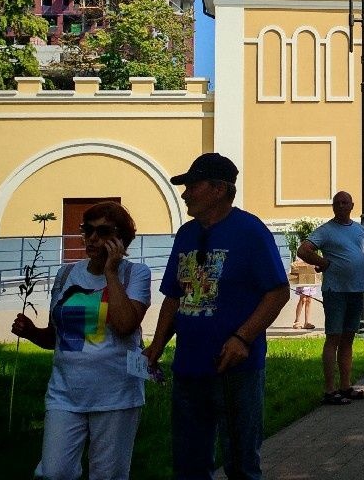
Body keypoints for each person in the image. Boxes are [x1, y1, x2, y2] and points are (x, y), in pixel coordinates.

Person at [143, 153, 289, 480]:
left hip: (235, 369)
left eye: (193, 186)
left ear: (219, 189)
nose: (185, 194)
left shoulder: (250, 232)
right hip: (188, 368)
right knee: (189, 463)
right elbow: (174, 297)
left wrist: (242, 338)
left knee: (240, 463)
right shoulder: (185, 235)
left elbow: (278, 292)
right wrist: (156, 345)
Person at [12, 201, 151, 480]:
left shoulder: (135, 274)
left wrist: (111, 272)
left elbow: (125, 325)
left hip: (115, 396)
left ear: (121, 238)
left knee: (108, 475)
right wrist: (31, 332)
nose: (92, 238)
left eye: (103, 231)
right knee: (55, 472)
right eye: (87, 231)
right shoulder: (66, 275)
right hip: (65, 393)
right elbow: (56, 338)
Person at [298, 190, 364, 405]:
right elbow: (303, 250)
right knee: (334, 337)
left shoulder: (359, 230)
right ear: (333, 207)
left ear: (352, 205)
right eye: (336, 203)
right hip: (335, 291)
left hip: (356, 291)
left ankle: (346, 385)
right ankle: (330, 390)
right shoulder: (326, 231)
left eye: (344, 202)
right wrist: (323, 263)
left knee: (348, 338)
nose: (340, 206)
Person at [289, 257, 318, 329]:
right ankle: (297, 321)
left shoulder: (313, 249)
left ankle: (306, 322)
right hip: (303, 277)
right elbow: (296, 264)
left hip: (311, 277)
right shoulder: (301, 250)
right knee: (303, 299)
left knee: (309, 300)